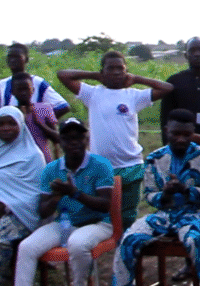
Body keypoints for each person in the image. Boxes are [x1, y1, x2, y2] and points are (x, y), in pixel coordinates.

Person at [91, 108, 200, 286]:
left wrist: (187, 191)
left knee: (195, 240)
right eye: (176, 133)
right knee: (129, 239)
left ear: (192, 133)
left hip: (195, 212)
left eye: (186, 135)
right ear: (166, 131)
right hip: (165, 213)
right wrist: (165, 195)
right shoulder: (155, 158)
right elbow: (149, 195)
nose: (181, 139)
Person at [0, 118, 113, 286]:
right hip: (64, 222)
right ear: (59, 141)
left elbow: (105, 205)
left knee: (78, 243)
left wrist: (75, 193)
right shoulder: (52, 169)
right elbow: (42, 211)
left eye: (78, 138)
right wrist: (55, 198)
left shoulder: (100, 165)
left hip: (97, 224)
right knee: (27, 247)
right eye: (68, 138)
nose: (74, 143)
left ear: (86, 138)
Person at [57, 51, 174, 227]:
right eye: (110, 68)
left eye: (120, 68)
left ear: (126, 70)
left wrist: (136, 79)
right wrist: (95, 76)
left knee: (127, 215)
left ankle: (125, 247)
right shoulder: (92, 94)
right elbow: (63, 75)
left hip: (130, 165)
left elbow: (167, 88)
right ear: (102, 71)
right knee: (100, 212)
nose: (116, 72)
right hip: (101, 166)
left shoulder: (134, 95)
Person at [0, 107, 45, 277]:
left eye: (11, 123)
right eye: (1, 124)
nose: (5, 128)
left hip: (20, 215)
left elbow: (37, 195)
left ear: (21, 125)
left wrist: (8, 205)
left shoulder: (33, 156)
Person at [0, 44, 70, 118]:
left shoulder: (37, 82)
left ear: (26, 59)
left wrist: (41, 122)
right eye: (10, 57)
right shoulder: (2, 84)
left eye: (17, 57)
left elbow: (63, 106)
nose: (12, 60)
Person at [10, 72, 60, 162]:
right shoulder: (10, 113)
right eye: (19, 90)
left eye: (26, 89)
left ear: (32, 89)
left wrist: (40, 123)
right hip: (19, 162)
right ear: (13, 92)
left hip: (43, 161)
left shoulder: (44, 108)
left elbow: (57, 138)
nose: (24, 93)